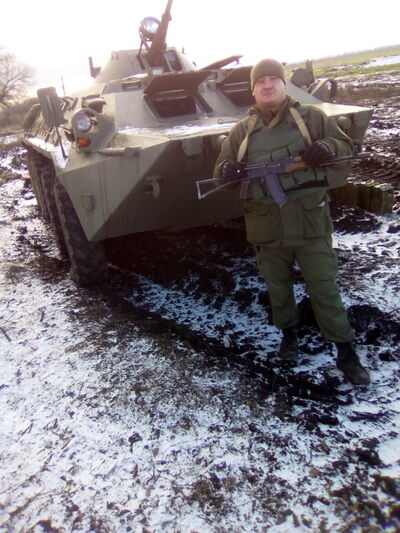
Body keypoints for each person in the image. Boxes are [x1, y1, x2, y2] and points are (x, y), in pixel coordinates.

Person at [213, 58, 370, 386]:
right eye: (260, 81)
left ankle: (345, 351)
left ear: (284, 84)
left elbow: (346, 146)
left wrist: (326, 146)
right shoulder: (242, 131)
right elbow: (220, 174)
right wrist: (227, 171)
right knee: (278, 288)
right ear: (253, 90)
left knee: (324, 286)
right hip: (267, 225)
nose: (267, 85)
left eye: (273, 79)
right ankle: (289, 336)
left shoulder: (311, 117)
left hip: (309, 222)